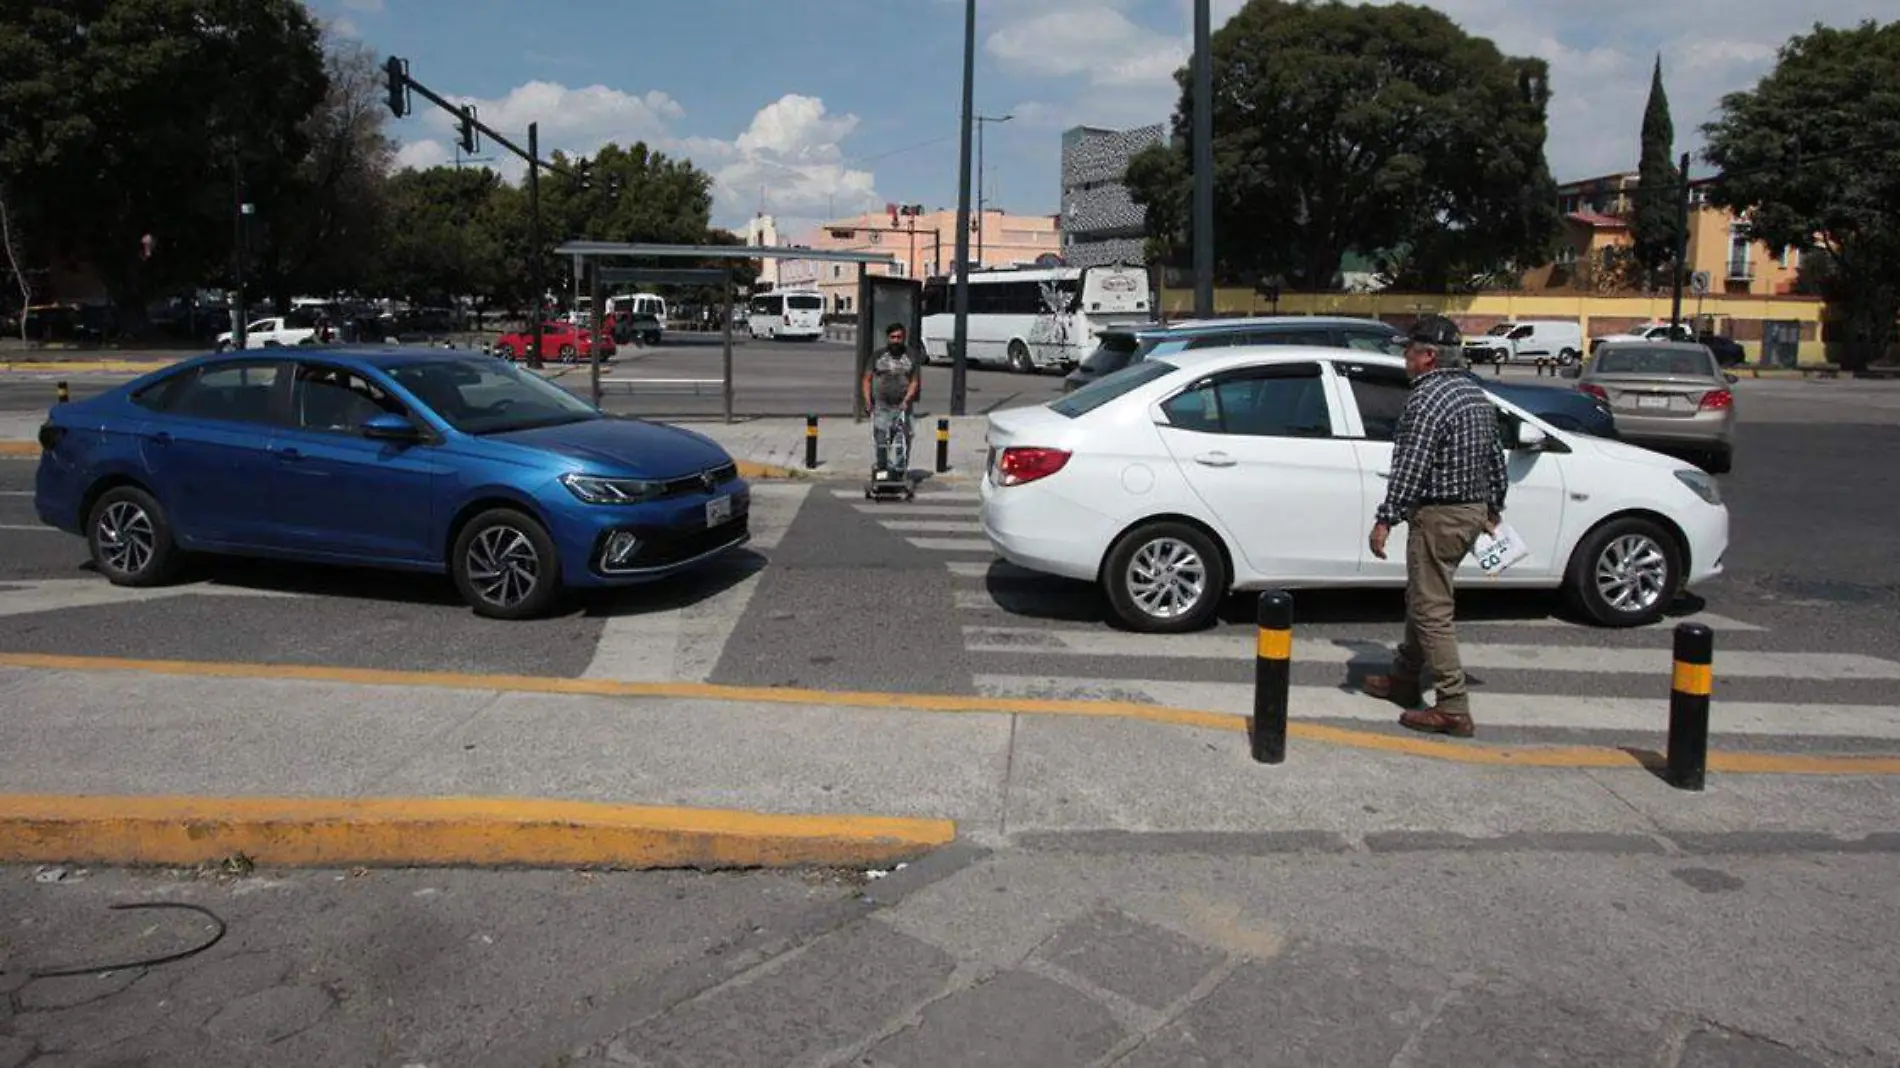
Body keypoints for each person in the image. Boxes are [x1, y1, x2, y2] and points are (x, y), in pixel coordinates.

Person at [1362, 314, 1508, 738]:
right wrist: (1493, 506)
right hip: (1471, 511)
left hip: (1439, 514)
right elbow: (1495, 456)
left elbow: (1411, 463)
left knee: (1431, 609)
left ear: (1428, 356)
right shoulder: (1473, 394)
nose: (1404, 357)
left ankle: (1452, 705)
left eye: (1409, 350)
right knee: (1425, 594)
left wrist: (1386, 518)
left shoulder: (1426, 399)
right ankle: (1405, 678)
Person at [863, 322, 921, 478]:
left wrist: (907, 400)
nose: (896, 340)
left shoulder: (911, 356)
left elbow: (914, 381)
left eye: (899, 337)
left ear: (904, 338)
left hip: (902, 406)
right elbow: (867, 379)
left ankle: (900, 470)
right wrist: (868, 401)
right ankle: (882, 468)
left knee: (902, 439)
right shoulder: (878, 356)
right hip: (882, 404)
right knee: (881, 438)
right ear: (888, 338)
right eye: (893, 337)